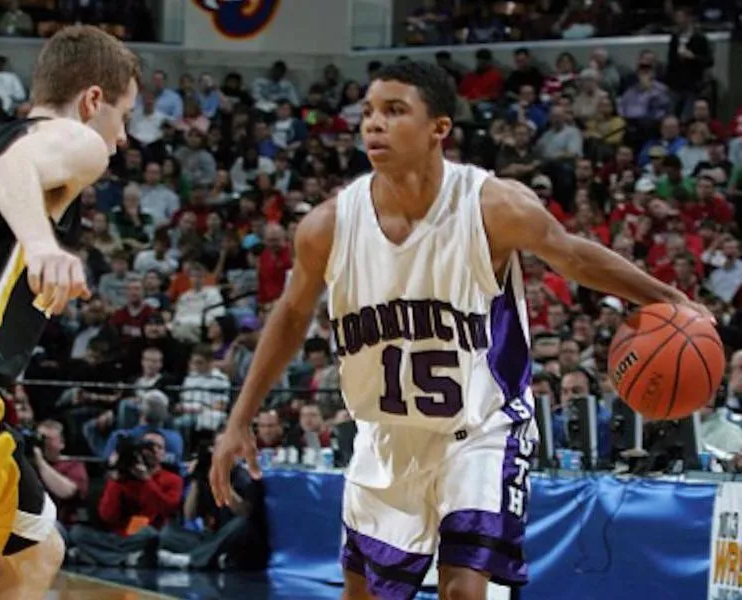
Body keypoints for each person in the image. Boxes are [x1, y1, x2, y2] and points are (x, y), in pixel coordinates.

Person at [210, 62, 710, 600]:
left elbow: (572, 256)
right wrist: (239, 419)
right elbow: (289, 316)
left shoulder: (492, 205)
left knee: (465, 590)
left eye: (395, 111)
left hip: (480, 428)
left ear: (439, 128)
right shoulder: (328, 226)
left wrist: (670, 298)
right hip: (385, 437)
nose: (374, 124)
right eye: (369, 112)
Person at [0, 25, 138, 600]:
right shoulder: (76, 140)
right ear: (92, 100)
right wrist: (44, 245)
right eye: (123, 115)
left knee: (20, 547)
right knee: (28, 548)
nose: (122, 138)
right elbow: (16, 167)